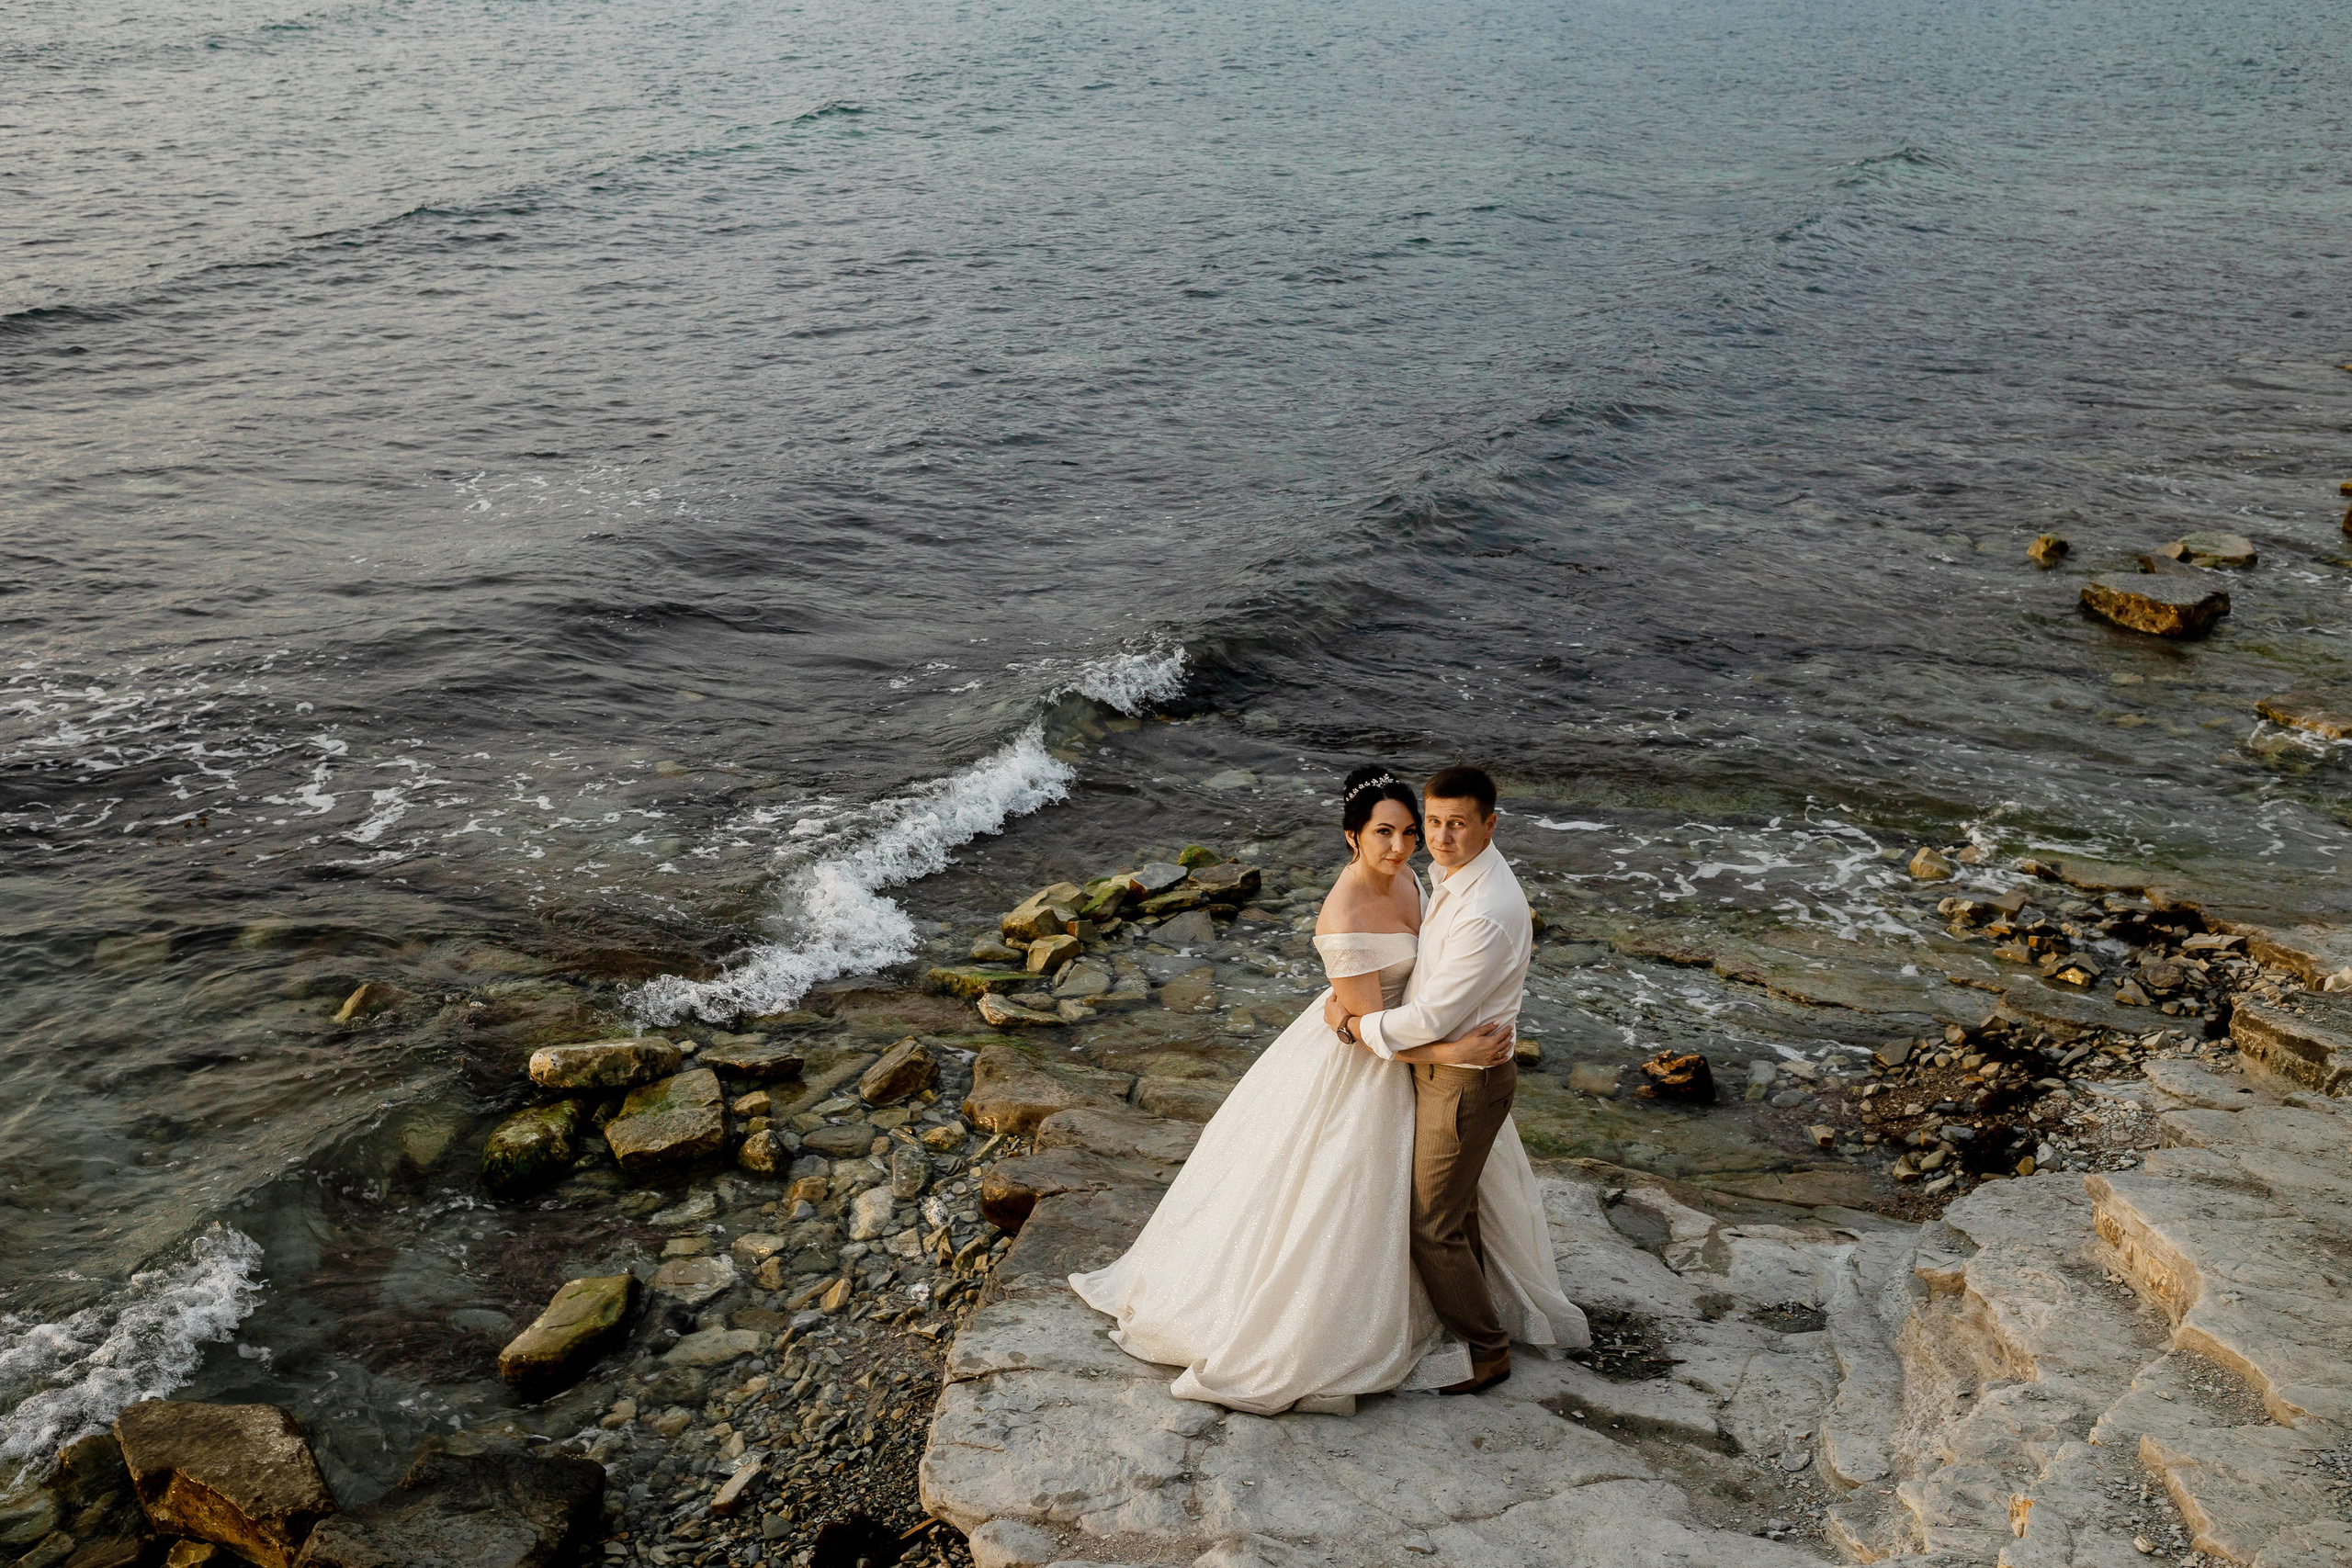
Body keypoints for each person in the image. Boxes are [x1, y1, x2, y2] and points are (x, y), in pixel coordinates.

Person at [1069, 765, 1587, 1416]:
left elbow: (1422, 994)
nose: (1405, 846)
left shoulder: (1431, 883)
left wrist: (1386, 1027)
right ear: (1353, 836)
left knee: (1440, 1208)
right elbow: (1389, 1026)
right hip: (1372, 1060)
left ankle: (1470, 1322)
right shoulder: (1347, 910)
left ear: (1486, 824)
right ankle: (1427, 1327)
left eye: (1410, 830)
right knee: (1362, 1203)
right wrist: (1410, 1037)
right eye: (1391, 831)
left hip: (1412, 1053)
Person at [1322, 763, 1566, 1393]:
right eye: (1432, 821)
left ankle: (1487, 1352)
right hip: (1443, 1066)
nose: (1438, 837)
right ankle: (1477, 1320)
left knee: (1432, 1223)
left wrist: (1352, 1025)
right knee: (1457, 1212)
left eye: (1456, 824)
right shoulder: (1451, 875)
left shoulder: (1486, 909)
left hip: (1461, 1078)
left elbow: (1434, 1015)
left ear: (1490, 823)